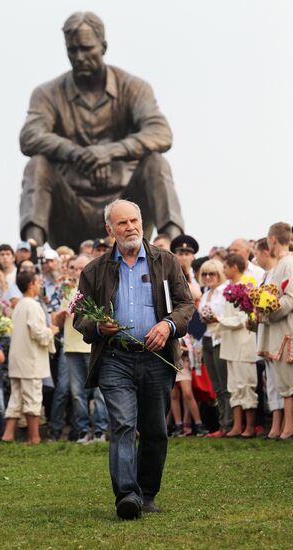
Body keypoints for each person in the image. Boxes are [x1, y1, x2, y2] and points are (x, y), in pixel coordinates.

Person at [19, 12, 184, 251]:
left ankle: (174, 243)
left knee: (156, 163)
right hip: (71, 211)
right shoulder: (47, 93)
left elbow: (161, 133)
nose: (79, 57)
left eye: (86, 49)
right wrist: (75, 153)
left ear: (103, 47)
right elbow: (29, 136)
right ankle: (31, 249)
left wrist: (110, 152)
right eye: (72, 50)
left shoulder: (133, 87)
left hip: (125, 205)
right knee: (37, 165)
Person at [74, 199, 194, 520]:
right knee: (124, 424)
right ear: (109, 229)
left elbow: (185, 306)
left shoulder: (166, 262)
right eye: (122, 223)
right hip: (115, 358)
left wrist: (168, 325)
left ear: (143, 222)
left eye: (134, 220)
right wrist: (98, 326)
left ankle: (148, 492)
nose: (130, 227)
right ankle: (127, 495)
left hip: (157, 358)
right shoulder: (94, 270)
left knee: (154, 429)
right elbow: (80, 317)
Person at [58, 254, 108, 443]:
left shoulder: (97, 288)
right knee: (77, 393)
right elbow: (57, 320)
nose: (78, 272)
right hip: (71, 347)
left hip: (91, 346)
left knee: (98, 392)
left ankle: (100, 431)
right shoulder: (67, 290)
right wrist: (61, 314)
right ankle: (83, 431)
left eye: (82, 268)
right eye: (74, 268)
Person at [2, 271, 56, 444]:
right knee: (33, 397)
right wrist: (52, 331)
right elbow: (38, 333)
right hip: (30, 360)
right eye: (38, 282)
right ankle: (34, 437)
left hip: (18, 359)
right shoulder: (32, 305)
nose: (40, 285)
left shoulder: (18, 305)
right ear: (31, 284)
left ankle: (7, 435)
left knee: (16, 397)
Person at [215, 254, 258, 438]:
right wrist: (215, 320)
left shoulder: (248, 287)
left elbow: (243, 319)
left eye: (225, 266)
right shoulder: (228, 289)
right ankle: (237, 426)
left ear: (234, 267)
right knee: (233, 386)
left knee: (246, 385)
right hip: (230, 344)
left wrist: (219, 320)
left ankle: (249, 427)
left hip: (244, 343)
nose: (223, 270)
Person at [259, 222, 293, 440]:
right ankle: (286, 426)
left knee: (289, 383)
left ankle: (289, 427)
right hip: (278, 329)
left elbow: (290, 298)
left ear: (272, 240)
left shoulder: (289, 263)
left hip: (287, 329)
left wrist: (270, 311)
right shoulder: (278, 266)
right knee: (283, 382)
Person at [198, 259, 232, 437]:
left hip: (221, 338)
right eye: (204, 274)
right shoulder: (205, 293)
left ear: (220, 274)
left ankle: (228, 424)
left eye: (212, 273)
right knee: (216, 386)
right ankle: (222, 425)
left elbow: (228, 315)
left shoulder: (225, 291)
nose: (208, 277)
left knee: (225, 384)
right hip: (207, 339)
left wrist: (215, 317)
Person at [254, 237, 283, 439]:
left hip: (279, 331)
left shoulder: (280, 271)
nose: (255, 258)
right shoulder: (267, 275)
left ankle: (281, 425)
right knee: (271, 382)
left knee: (281, 382)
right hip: (265, 329)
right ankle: (276, 423)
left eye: (256, 253)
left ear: (266, 252)